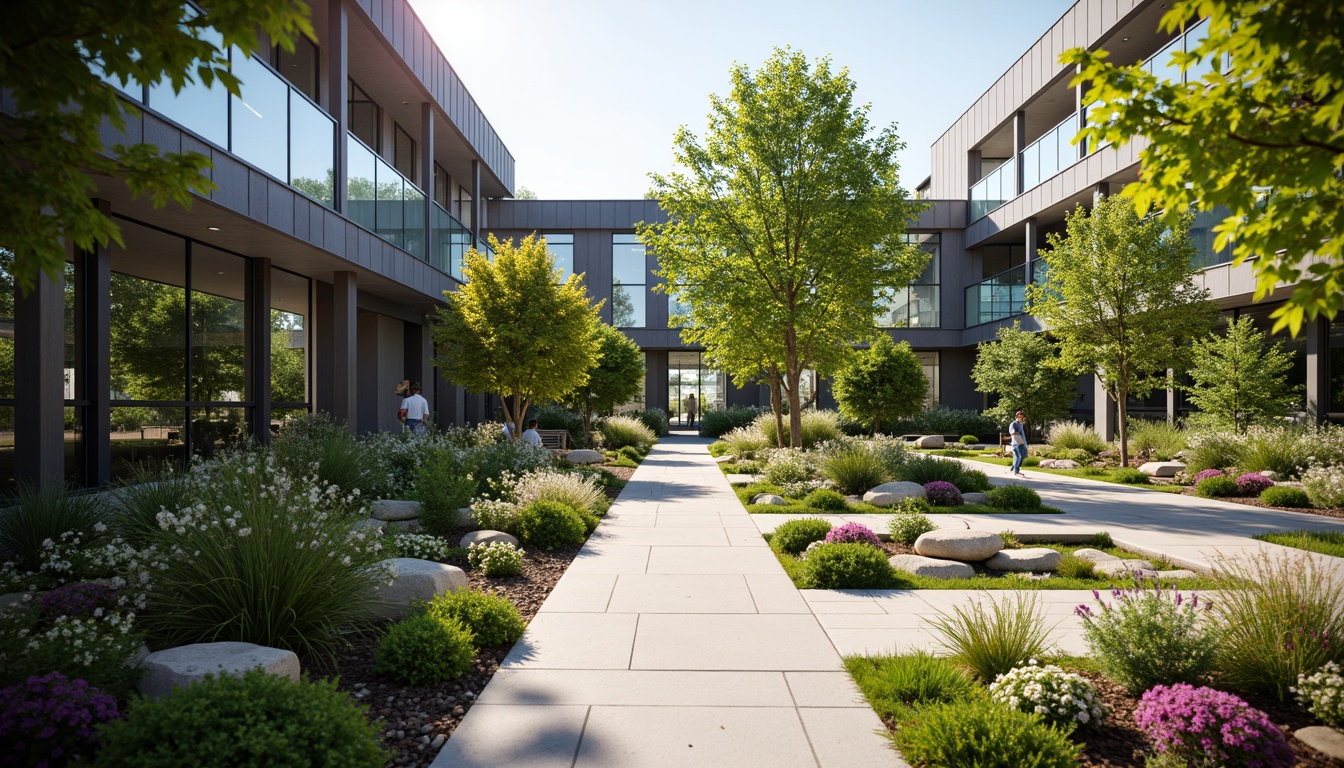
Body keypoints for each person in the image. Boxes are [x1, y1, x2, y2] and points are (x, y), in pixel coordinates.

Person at [1008, 410, 1028, 477]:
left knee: (1024, 456)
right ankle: (1016, 471)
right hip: (1016, 443)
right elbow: (1012, 433)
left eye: (1022, 415)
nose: (1021, 416)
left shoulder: (1021, 424)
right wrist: (1018, 437)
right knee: (1018, 456)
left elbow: (1022, 434)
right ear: (1017, 416)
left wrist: (1025, 443)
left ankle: (1014, 465)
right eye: (1019, 415)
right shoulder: (1014, 424)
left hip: (1022, 443)